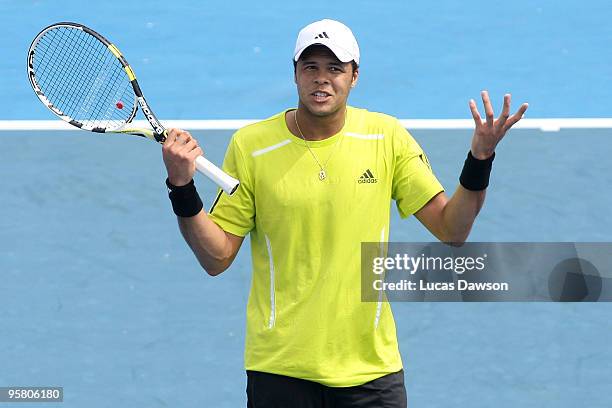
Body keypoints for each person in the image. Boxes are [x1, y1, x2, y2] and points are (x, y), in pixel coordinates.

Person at [161, 18, 528, 408]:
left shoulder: (385, 138)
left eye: (335, 68)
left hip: (371, 373)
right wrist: (182, 189)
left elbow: (451, 229)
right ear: (295, 74)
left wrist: (480, 158)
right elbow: (216, 257)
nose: (322, 79)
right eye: (311, 68)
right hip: (281, 369)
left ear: (354, 76)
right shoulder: (252, 146)